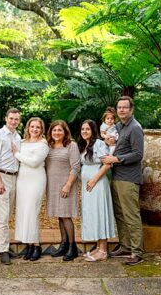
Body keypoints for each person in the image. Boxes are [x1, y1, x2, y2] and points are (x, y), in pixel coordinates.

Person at [102, 95, 145, 265]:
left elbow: (138, 154)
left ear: (131, 109)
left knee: (131, 214)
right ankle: (125, 245)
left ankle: (137, 252)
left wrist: (116, 159)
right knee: (120, 214)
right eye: (119, 107)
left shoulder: (134, 128)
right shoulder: (119, 126)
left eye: (125, 107)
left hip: (128, 178)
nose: (121, 110)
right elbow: (110, 137)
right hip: (117, 176)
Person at [77, 119, 116, 262]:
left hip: (98, 184)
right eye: (82, 129)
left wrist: (94, 179)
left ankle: (103, 251)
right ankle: (98, 248)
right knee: (93, 214)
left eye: (87, 129)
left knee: (100, 213)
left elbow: (108, 163)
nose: (84, 131)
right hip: (88, 186)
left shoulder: (99, 144)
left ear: (93, 130)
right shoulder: (84, 145)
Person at [43, 120, 81, 261]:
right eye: (54, 130)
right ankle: (63, 244)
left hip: (66, 184)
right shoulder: (48, 146)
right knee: (60, 215)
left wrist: (68, 185)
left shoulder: (71, 145)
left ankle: (73, 246)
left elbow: (76, 167)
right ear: (50, 132)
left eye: (60, 130)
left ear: (65, 132)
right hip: (53, 186)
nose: (57, 133)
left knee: (66, 215)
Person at [0, 107, 22, 264]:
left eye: (16, 119)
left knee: (8, 215)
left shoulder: (18, 137)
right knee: (2, 216)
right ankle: (3, 251)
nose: (14, 121)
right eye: (11, 119)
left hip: (15, 178)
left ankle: (3, 246)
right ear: (6, 118)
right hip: (2, 177)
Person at [14, 116, 49, 260]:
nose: (34, 129)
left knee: (32, 211)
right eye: (32, 126)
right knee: (23, 212)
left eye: (38, 127)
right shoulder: (21, 142)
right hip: (22, 179)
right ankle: (28, 243)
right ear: (27, 127)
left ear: (41, 129)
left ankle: (36, 245)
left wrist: (16, 154)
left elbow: (34, 162)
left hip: (36, 179)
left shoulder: (43, 144)